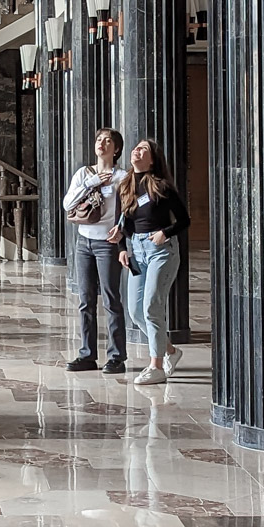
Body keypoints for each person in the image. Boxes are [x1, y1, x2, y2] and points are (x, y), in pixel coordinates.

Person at [116, 139, 191, 388]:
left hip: (161, 250)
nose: (136, 151)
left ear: (152, 160)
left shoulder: (161, 186)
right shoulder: (125, 185)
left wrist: (165, 232)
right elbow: (122, 223)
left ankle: (156, 367)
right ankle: (170, 350)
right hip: (137, 250)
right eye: (136, 147)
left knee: (151, 307)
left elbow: (184, 220)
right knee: (135, 311)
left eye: (143, 149)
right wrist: (122, 248)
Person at [63, 128, 127, 373]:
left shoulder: (122, 176)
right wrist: (92, 183)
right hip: (84, 242)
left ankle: (116, 357)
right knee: (85, 300)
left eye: (108, 141)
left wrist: (122, 231)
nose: (102, 143)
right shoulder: (84, 173)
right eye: (99, 139)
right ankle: (87, 355)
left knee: (111, 299)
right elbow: (68, 204)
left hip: (107, 244)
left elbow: (129, 209)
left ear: (116, 149)